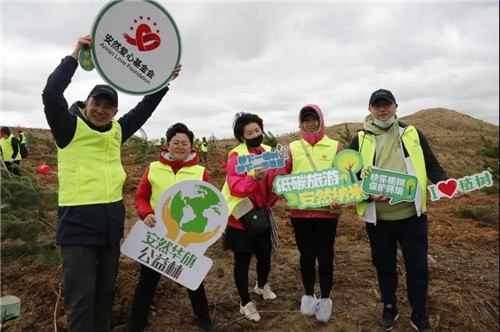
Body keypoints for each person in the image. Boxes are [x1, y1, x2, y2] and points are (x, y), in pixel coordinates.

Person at [41, 35, 181, 332]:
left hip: (110, 227)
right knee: (80, 300)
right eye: (97, 103)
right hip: (77, 227)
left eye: (108, 106)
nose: (101, 109)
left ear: (115, 112)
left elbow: (144, 109)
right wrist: (75, 55)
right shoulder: (67, 129)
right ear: (86, 103)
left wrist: (164, 82)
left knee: (105, 293)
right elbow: (52, 93)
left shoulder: (116, 131)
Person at [349, 89, 464, 332]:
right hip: (378, 218)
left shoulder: (412, 134)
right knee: (384, 265)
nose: (382, 109)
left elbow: (432, 165)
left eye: (387, 104)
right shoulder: (360, 139)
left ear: (395, 106)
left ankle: (419, 313)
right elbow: (349, 177)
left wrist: (446, 183)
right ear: (369, 109)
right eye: (377, 105)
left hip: (413, 216)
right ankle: (389, 305)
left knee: (418, 266)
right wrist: (365, 193)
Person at [128, 123, 214, 331]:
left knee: (192, 278)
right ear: (167, 145)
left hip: (186, 235)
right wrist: (146, 213)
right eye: (176, 142)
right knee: (147, 282)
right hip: (157, 234)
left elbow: (208, 203)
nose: (180, 146)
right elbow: (141, 197)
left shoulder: (199, 172)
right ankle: (136, 324)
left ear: (191, 146)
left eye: (185, 143)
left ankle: (203, 316)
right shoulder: (154, 168)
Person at [278, 105, 343, 323]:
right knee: (306, 257)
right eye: (305, 120)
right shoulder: (292, 148)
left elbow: (345, 178)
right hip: (300, 214)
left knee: (325, 257)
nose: (310, 123)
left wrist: (340, 199)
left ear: (321, 120)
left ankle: (325, 298)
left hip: (327, 214)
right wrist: (287, 195)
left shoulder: (335, 146)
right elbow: (281, 175)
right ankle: (308, 294)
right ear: (300, 123)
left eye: (313, 119)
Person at [221, 112, 279, 322]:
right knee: (243, 261)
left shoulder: (268, 153)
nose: (255, 134)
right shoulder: (236, 157)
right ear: (242, 137)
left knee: (265, 255)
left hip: (262, 216)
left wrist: (277, 191)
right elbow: (235, 187)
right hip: (241, 217)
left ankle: (261, 285)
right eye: (249, 132)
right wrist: (254, 178)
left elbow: (275, 180)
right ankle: (245, 302)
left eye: (257, 130)